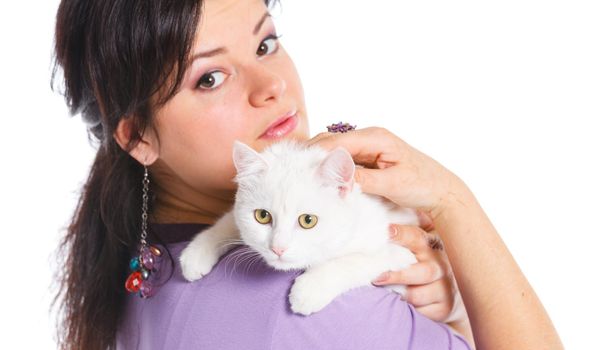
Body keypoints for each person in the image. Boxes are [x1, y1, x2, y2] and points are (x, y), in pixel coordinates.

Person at [51, 0, 561, 349]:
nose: (271, 85)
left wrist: (442, 312)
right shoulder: (315, 310)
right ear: (138, 136)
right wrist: (454, 204)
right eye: (209, 77)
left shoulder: (141, 267)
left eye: (266, 44)